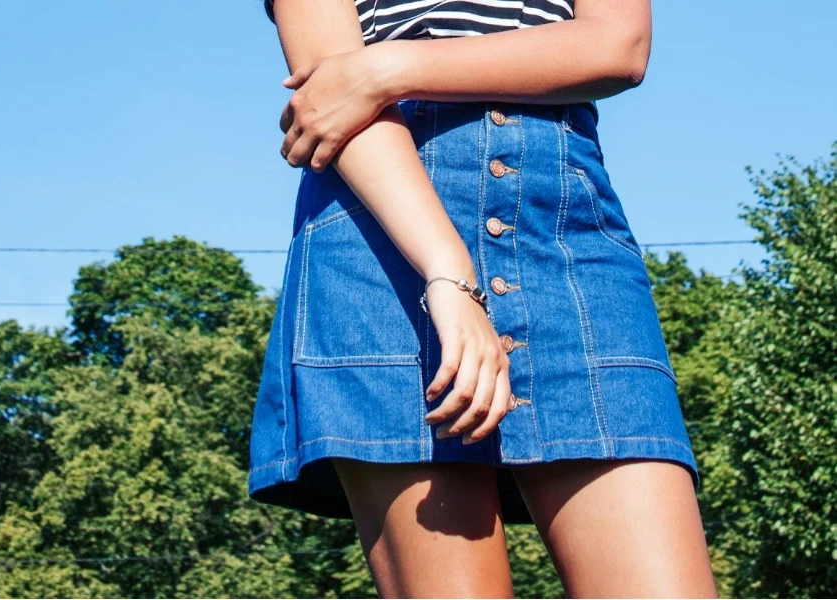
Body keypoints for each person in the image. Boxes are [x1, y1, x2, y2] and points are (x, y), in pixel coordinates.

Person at [248, 0, 718, 596]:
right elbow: (329, 92)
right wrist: (447, 272)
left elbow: (617, 46)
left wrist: (386, 68)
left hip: (565, 230)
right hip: (383, 226)